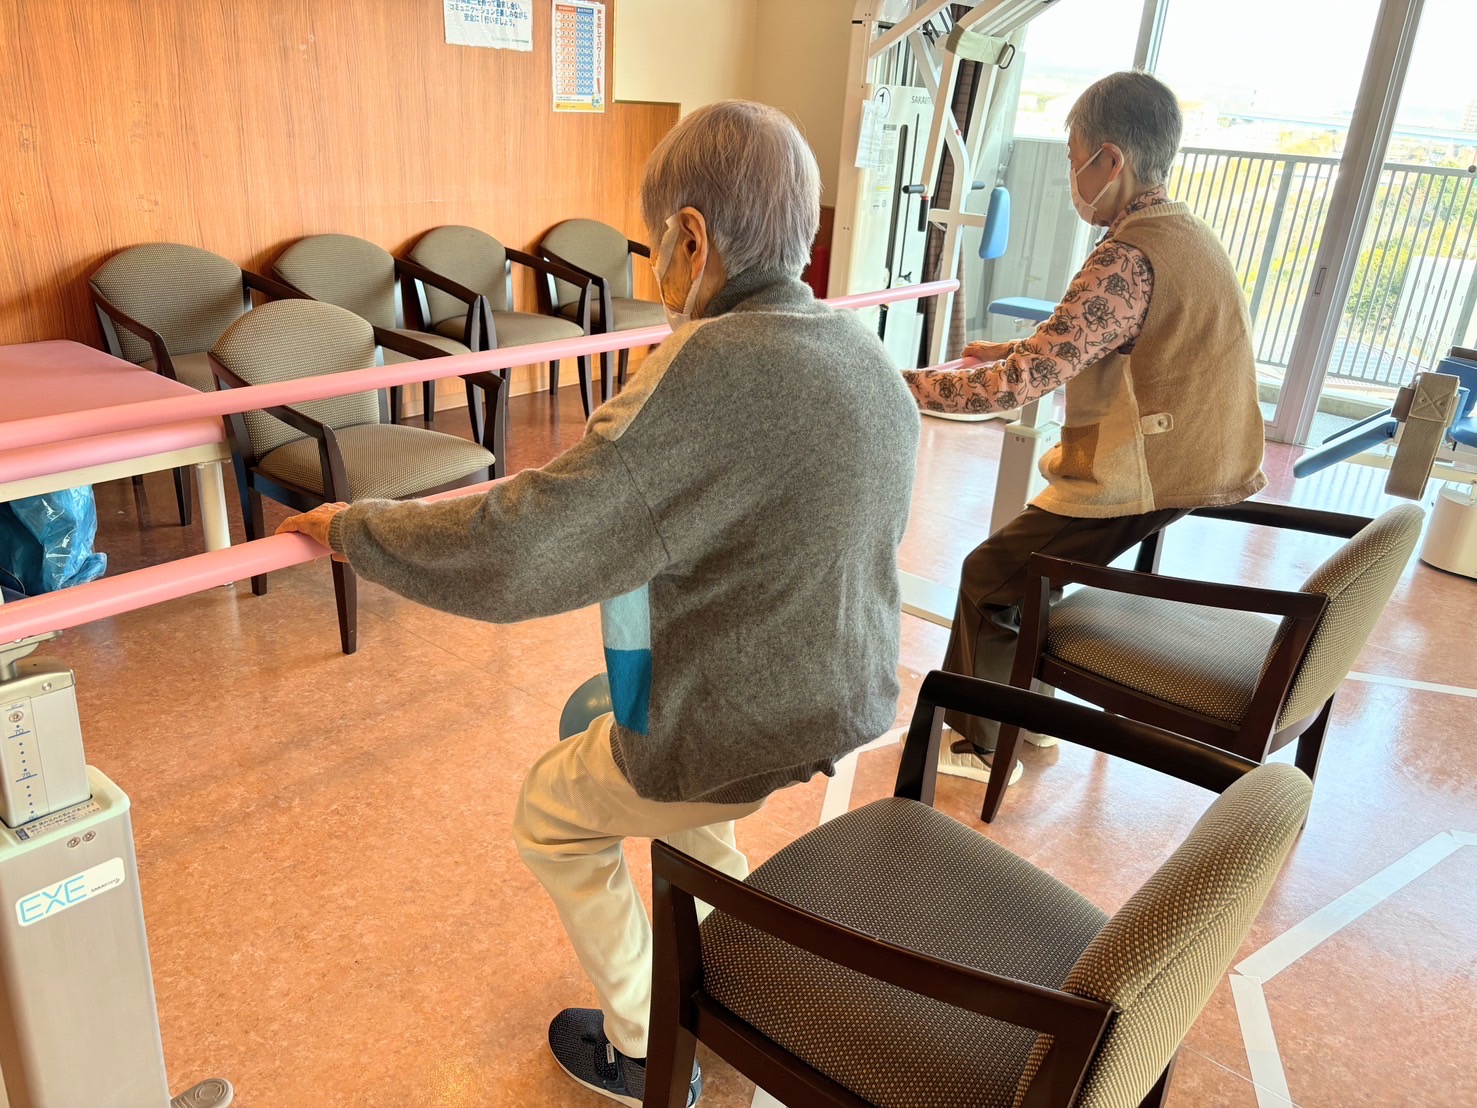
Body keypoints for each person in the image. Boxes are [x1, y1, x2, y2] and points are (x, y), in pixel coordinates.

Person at [277, 100, 920, 1107]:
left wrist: (356, 530)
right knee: (630, 751)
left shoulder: (709, 364)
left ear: (692, 238)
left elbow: (521, 550)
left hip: (740, 713)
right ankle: (720, 971)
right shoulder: (861, 352)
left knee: (551, 814)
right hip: (841, 688)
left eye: (655, 244)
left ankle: (643, 1043)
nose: (655, 269)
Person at [902, 71, 1266, 784]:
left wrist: (896, 381)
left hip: (1148, 471)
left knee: (991, 577)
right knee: (1037, 575)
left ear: (1110, 159)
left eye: (1073, 158)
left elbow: (1014, 387)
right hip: (1203, 455)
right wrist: (1012, 348)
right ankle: (1032, 719)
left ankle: (983, 745)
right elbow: (1094, 339)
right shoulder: (1183, 230)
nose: (1071, 174)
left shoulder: (1125, 256)